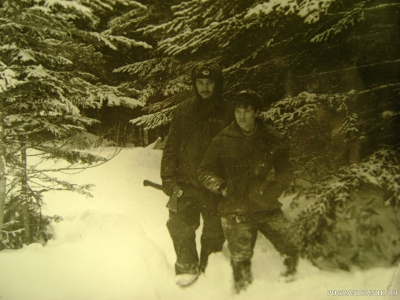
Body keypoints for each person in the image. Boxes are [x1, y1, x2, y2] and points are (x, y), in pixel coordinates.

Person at [198, 90, 299, 293]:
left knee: (292, 246)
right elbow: (203, 171)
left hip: (265, 204)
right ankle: (244, 293)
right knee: (241, 258)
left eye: (247, 111)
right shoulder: (223, 138)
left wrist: (273, 190)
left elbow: (286, 170)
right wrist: (221, 187)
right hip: (235, 208)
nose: (242, 116)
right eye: (238, 111)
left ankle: (294, 288)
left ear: (257, 113)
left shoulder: (271, 137)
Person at [161, 62, 232, 287]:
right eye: (200, 83)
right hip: (186, 184)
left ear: (217, 85)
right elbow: (171, 147)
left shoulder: (229, 111)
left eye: (209, 83)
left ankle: (211, 270)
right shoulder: (183, 110)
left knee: (214, 231)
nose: (204, 88)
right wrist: (168, 179)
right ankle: (186, 265)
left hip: (214, 186)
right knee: (180, 225)